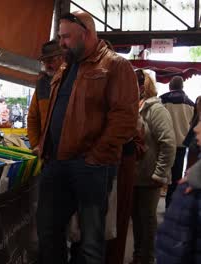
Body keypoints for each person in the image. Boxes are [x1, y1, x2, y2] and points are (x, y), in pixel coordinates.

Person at [36, 11, 139, 264]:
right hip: (56, 162)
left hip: (90, 166)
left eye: (67, 37)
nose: (61, 43)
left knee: (91, 241)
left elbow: (125, 119)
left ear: (87, 33)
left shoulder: (116, 65)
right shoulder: (66, 68)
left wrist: (95, 157)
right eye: (60, 37)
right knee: (48, 231)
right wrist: (44, 145)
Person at [131, 71, 176, 264]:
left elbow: (168, 143)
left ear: (143, 87)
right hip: (136, 176)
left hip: (150, 177)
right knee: (138, 221)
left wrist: (159, 174)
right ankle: (138, 256)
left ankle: (146, 259)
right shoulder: (137, 107)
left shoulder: (156, 110)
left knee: (147, 221)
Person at [155, 98, 201, 264]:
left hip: (177, 146)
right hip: (183, 148)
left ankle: (168, 205)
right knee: (176, 181)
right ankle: (168, 204)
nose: (197, 129)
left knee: (175, 181)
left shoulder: (163, 100)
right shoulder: (189, 102)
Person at [160, 76, 195, 208]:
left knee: (160, 176)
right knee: (176, 178)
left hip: (164, 144)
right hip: (181, 146)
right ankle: (170, 206)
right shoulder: (191, 104)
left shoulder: (163, 100)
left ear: (170, 86)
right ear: (182, 87)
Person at [27, 39, 64, 153]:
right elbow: (33, 118)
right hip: (47, 151)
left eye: (51, 60)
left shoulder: (72, 80)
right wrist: (35, 145)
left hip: (69, 152)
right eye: (44, 61)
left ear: (63, 58)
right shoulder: (42, 84)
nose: (47, 65)